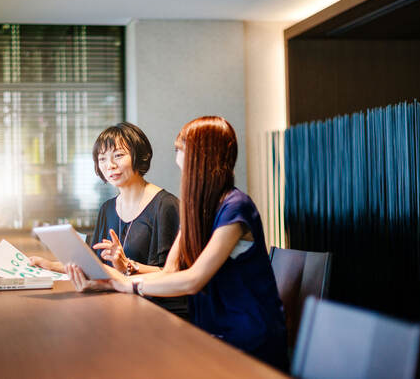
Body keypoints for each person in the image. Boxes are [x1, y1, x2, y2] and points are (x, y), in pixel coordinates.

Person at [66, 116, 288, 371]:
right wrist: (113, 280)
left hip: (245, 335)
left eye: (181, 149)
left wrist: (126, 285)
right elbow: (171, 271)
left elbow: (193, 279)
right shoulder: (197, 208)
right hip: (208, 327)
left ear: (205, 155)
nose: (177, 157)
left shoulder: (236, 207)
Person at [29, 122, 187, 317]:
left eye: (118, 156)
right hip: (118, 304)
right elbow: (95, 265)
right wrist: (50, 265)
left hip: (156, 310)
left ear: (140, 155)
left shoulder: (166, 205)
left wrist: (127, 265)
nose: (109, 165)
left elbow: (171, 274)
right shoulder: (107, 208)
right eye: (102, 158)